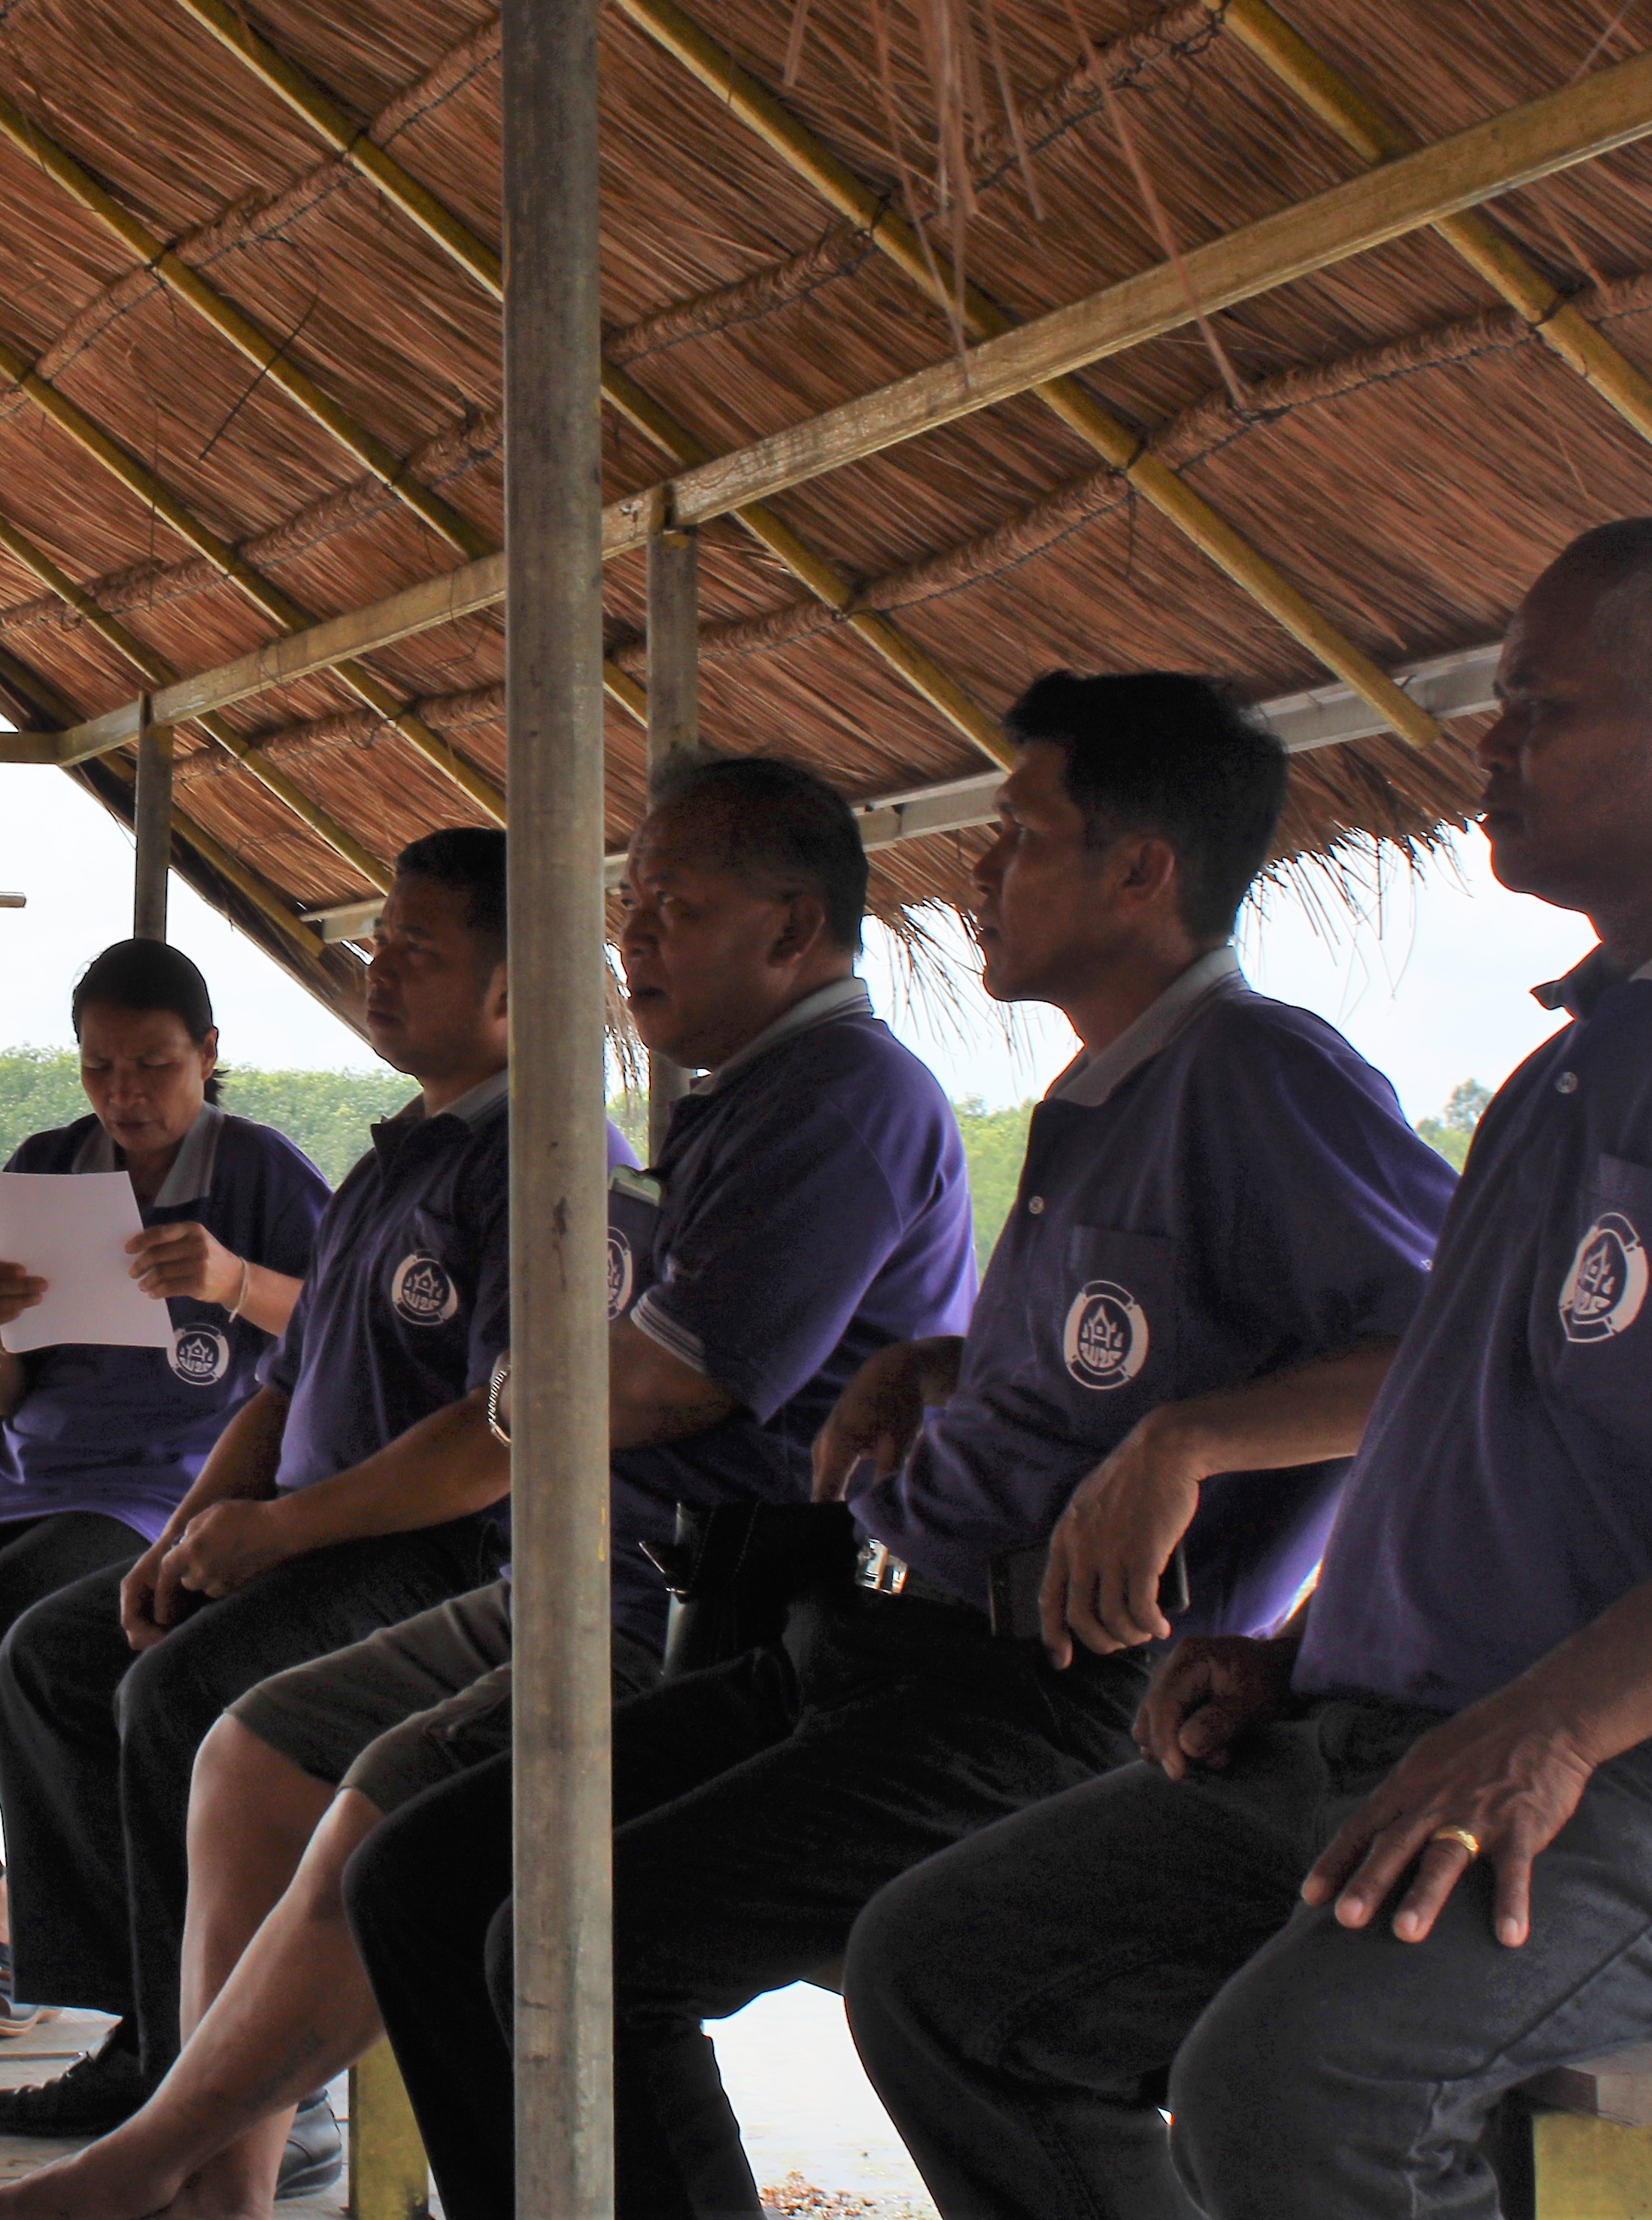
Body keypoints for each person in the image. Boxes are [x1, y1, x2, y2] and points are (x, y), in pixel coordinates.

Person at [346, 672, 1462, 2220]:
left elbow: (1446, 1347)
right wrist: (936, 1365)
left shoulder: (1260, 1075)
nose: (976, 869)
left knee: (589, 1937)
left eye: (1021, 835)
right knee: (421, 1876)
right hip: (867, 1638)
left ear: (1140, 871)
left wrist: (1186, 1443)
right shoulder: (1097, 1096)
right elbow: (1125, 1343)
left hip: (1040, 1685)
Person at [846, 516, 1652, 2220]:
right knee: (945, 1973)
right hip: (1392, 1732)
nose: (1489, 746)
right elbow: (1479, 1443)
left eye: (1538, 709)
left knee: (1303, 2093)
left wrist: (1548, 1727)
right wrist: (1296, 1655)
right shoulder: (1570, 1064)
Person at [0, 755, 976, 2220]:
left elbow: (641, 1388)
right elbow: (301, 1383)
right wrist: (207, 1522)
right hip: (597, 1576)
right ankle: (189, 2145)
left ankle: (173, 2145)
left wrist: (313, 1507)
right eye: (627, 906)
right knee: (225, 1743)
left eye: (670, 908)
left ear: (791, 930)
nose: (632, 939)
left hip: (683, 1608)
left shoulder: (794, 1108)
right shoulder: (492, 1143)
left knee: (403, 1859)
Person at [0, 828, 633, 2157]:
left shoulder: (552, 1159)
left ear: (512, 986)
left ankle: (272, 2088)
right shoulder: (393, 1160)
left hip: (451, 1554)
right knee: (54, 1654)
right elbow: (284, 1386)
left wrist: (281, 1530)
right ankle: (151, 2031)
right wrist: (183, 1536)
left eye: (415, 951)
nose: (375, 972)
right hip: (318, 1533)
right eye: (377, 944)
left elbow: (505, 1437)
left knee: (180, 1693)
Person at [0, 939, 327, 2012]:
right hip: (14, 1482)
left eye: (154, 1066)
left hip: (167, 1490)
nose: (126, 1094)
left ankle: (57, 1937)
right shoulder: (46, 1167)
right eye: (100, 1068)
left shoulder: (262, 1172)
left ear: (207, 1054)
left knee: (4, 1623)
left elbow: (345, 1331)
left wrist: (233, 1280)